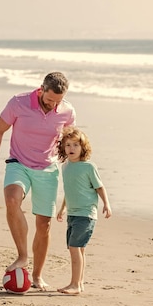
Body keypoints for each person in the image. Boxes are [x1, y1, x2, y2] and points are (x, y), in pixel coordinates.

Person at [0, 72, 76, 291]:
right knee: (12, 200)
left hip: (47, 168)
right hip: (19, 163)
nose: (53, 104)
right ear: (41, 89)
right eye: (50, 99)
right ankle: (22, 256)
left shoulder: (67, 112)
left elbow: (70, 142)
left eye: (58, 101)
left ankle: (37, 276)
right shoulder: (19, 103)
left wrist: (78, 173)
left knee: (44, 224)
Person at [56, 126, 111, 295]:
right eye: (68, 145)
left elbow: (99, 187)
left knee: (74, 247)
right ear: (63, 148)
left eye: (76, 145)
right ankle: (79, 283)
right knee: (79, 249)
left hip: (86, 214)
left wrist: (106, 204)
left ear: (83, 148)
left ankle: (74, 284)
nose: (71, 149)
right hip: (72, 213)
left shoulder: (88, 167)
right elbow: (69, 190)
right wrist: (62, 209)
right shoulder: (65, 167)